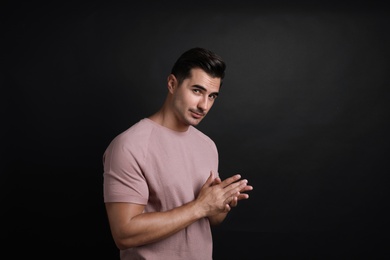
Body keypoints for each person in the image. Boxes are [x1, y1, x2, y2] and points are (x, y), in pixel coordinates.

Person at [102, 47, 253, 259]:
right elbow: (124, 234)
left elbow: (212, 219)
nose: (204, 105)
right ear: (172, 84)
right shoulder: (129, 146)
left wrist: (221, 203)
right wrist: (200, 206)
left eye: (212, 96)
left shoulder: (207, 145)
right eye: (197, 91)